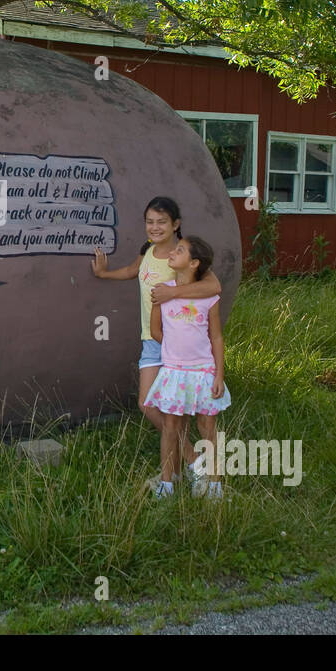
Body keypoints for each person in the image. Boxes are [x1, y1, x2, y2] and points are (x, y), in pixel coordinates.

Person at [91, 196, 222, 480]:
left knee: (179, 408)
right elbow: (132, 271)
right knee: (147, 404)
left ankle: (180, 470)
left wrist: (171, 293)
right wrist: (104, 273)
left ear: (176, 224)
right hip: (152, 338)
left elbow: (213, 286)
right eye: (150, 222)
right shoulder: (148, 250)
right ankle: (191, 459)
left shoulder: (183, 255)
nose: (155, 227)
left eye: (162, 222)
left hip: (180, 342)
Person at [144, 235, 231, 499]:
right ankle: (168, 483)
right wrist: (174, 351)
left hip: (203, 372)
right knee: (171, 428)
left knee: (207, 428)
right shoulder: (161, 292)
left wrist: (218, 374)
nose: (173, 252)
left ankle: (213, 485)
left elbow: (216, 337)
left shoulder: (208, 298)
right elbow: (156, 330)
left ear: (193, 263)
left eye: (179, 250)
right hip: (174, 371)